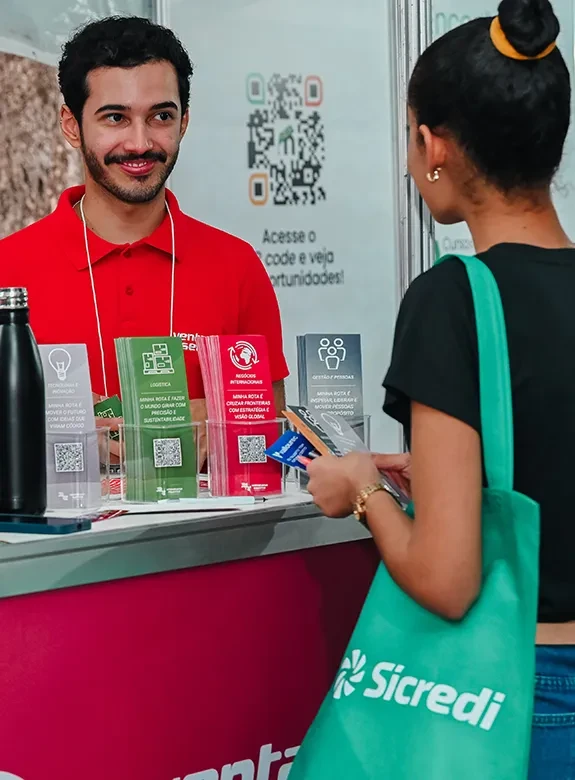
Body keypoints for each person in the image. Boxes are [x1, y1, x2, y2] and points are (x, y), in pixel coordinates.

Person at [305, 0, 574, 776]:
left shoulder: (453, 297)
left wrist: (362, 490)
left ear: (434, 147)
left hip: (525, 700)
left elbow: (446, 580)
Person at [0, 17, 288, 442]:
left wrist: (211, 416)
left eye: (160, 116)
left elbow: (271, 421)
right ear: (71, 125)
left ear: (183, 122)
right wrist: (52, 425)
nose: (139, 143)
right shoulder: (8, 268)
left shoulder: (236, 265)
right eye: (115, 117)